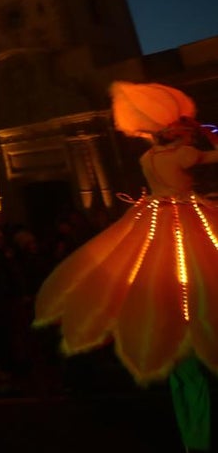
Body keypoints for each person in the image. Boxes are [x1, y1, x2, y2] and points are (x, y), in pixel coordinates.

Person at [34, 81, 218, 451]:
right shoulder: (183, 155)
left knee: (151, 273)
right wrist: (208, 135)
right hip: (186, 218)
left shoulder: (148, 158)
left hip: (156, 220)